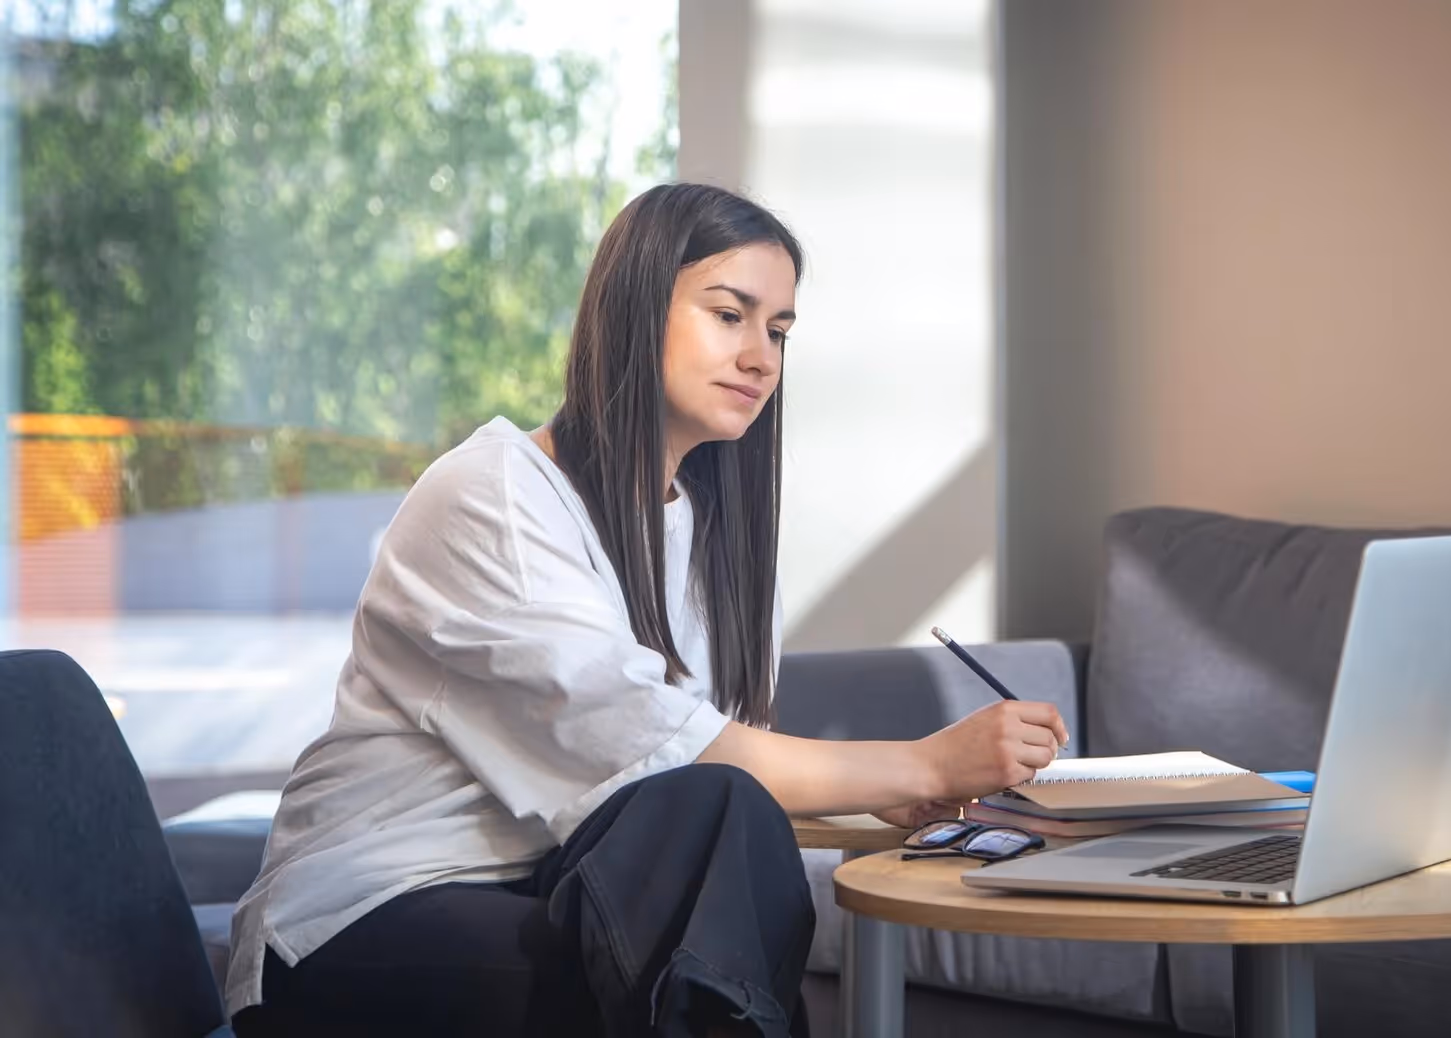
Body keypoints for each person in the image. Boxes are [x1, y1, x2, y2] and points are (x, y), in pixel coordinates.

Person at [225, 182, 1069, 1038]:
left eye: (777, 331)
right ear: (635, 309)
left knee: (716, 852)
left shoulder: (707, 539)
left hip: (561, 890)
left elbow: (689, 784)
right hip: (368, 917)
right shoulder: (493, 494)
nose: (762, 358)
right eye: (729, 314)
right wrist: (920, 766)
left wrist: (878, 799)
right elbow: (649, 747)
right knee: (708, 845)